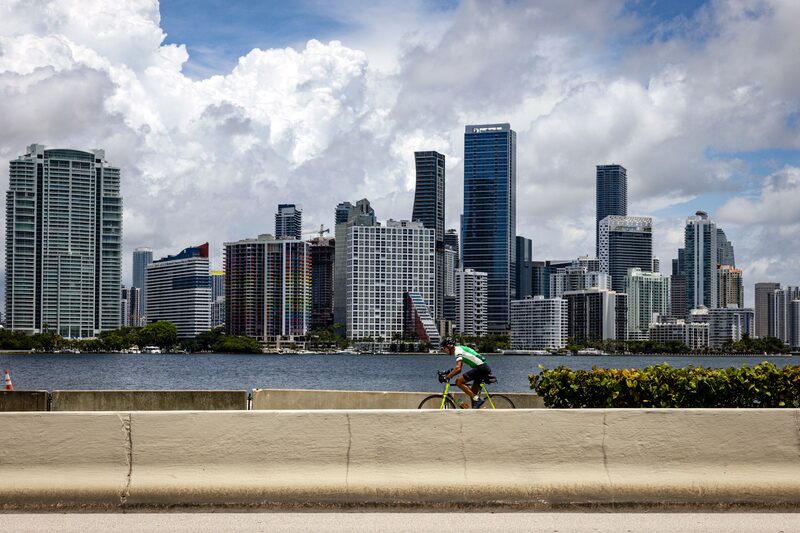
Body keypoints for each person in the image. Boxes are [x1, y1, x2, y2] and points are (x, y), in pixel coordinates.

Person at [440, 338, 491, 408]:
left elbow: (458, 368)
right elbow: (457, 368)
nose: (443, 351)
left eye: (443, 348)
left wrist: (447, 377)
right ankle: (475, 411)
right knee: (473, 393)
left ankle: (478, 400)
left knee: (458, 381)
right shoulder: (460, 349)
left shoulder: (457, 351)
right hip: (483, 367)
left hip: (481, 368)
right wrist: (449, 373)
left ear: (449, 346)